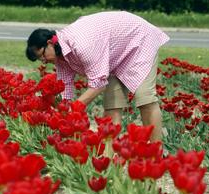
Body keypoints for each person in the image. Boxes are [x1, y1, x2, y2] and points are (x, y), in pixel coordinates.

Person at [26, 11, 170, 141]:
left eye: (42, 56)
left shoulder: (82, 45)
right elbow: (65, 88)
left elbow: (98, 85)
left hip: (137, 40)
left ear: (50, 43)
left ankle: (155, 154)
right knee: (112, 105)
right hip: (113, 54)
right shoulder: (60, 56)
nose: (44, 61)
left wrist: (74, 108)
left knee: (145, 99)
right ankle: (109, 159)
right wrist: (63, 113)